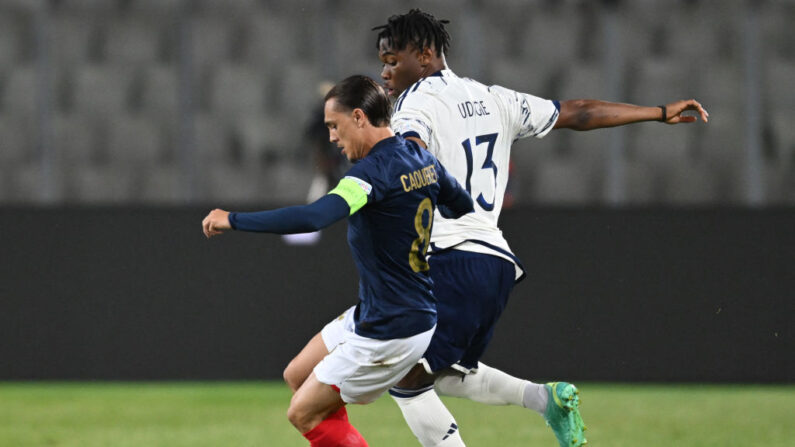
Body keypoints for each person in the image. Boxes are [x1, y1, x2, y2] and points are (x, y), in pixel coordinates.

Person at [284, 9, 709, 447]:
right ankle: (545, 400)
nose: (385, 72)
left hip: (444, 261)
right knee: (423, 375)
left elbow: (409, 152)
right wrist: (657, 112)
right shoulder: (496, 98)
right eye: (383, 62)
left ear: (425, 55)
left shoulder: (416, 105)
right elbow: (577, 112)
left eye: (393, 60)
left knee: (406, 376)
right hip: (492, 263)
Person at [202, 74, 474, 447]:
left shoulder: (369, 175)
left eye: (335, 125)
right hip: (390, 310)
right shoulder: (420, 157)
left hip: (390, 329)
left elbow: (315, 217)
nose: (331, 137)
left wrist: (233, 219)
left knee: (303, 413)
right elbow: (460, 204)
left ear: (359, 117)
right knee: (298, 375)